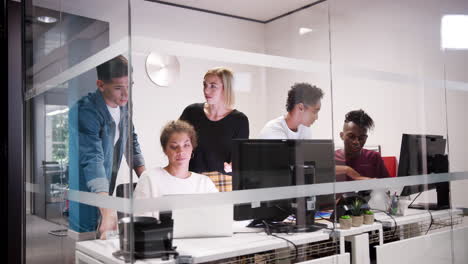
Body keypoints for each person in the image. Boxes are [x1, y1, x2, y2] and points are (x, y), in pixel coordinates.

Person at [68, 55, 146, 239]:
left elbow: (131, 140)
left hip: (105, 182)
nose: (126, 94)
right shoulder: (85, 111)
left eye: (129, 86)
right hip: (84, 185)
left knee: (103, 232)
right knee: (85, 237)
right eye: (119, 88)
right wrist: (108, 209)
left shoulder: (124, 104)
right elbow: (92, 159)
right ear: (101, 85)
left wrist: (147, 179)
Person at [179, 67, 249, 191]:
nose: (206, 90)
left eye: (213, 86)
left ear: (226, 88)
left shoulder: (239, 120)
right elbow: (175, 141)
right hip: (191, 180)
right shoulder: (191, 112)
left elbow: (240, 159)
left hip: (222, 183)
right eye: (204, 85)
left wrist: (234, 166)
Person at [134, 120, 218, 217]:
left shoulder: (204, 183)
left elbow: (218, 217)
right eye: (174, 147)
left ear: (192, 148)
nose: (181, 151)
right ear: (165, 150)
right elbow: (140, 222)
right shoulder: (150, 178)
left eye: (186, 145)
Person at [335, 109, 390, 181]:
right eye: (351, 136)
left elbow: (388, 186)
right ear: (342, 136)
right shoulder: (331, 158)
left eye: (361, 138)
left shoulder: (373, 157)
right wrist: (347, 170)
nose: (356, 142)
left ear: (366, 138)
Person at [258, 82, 323, 139]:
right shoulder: (273, 130)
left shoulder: (304, 129)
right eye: (315, 112)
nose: (316, 118)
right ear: (300, 108)